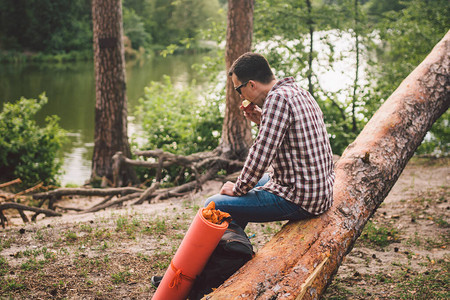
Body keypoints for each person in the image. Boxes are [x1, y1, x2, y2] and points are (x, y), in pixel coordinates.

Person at [205, 52, 335, 229]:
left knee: (216, 204)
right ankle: (236, 247)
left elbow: (261, 153)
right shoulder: (297, 92)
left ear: (251, 84)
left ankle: (233, 252)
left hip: (302, 198)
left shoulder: (277, 99)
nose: (240, 97)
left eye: (238, 89)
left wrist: (239, 189)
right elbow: (288, 137)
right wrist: (262, 120)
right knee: (243, 189)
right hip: (318, 190)